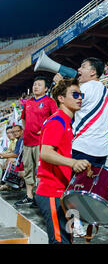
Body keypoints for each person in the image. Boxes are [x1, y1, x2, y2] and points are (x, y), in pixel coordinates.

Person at [53, 57, 108, 233]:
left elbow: (66, 103)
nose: (78, 69)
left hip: (81, 146)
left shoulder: (82, 89)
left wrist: (60, 85)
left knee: (74, 187)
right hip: (101, 150)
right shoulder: (107, 93)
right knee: (91, 186)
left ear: (93, 72)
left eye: (83, 66)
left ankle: (76, 224)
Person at [34, 78, 91, 244]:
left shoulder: (65, 121)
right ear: (60, 98)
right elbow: (45, 153)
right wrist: (73, 163)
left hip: (60, 189)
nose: (79, 98)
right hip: (51, 190)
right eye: (74, 94)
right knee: (60, 240)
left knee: (66, 238)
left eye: (81, 94)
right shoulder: (57, 121)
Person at [15, 76, 58, 207]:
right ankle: (29, 196)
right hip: (28, 142)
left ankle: (40, 197)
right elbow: (23, 119)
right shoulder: (27, 103)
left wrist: (46, 130)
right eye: (34, 84)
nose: (36, 87)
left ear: (46, 88)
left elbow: (55, 119)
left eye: (39, 84)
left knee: (41, 171)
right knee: (28, 170)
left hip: (42, 143)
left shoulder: (50, 102)